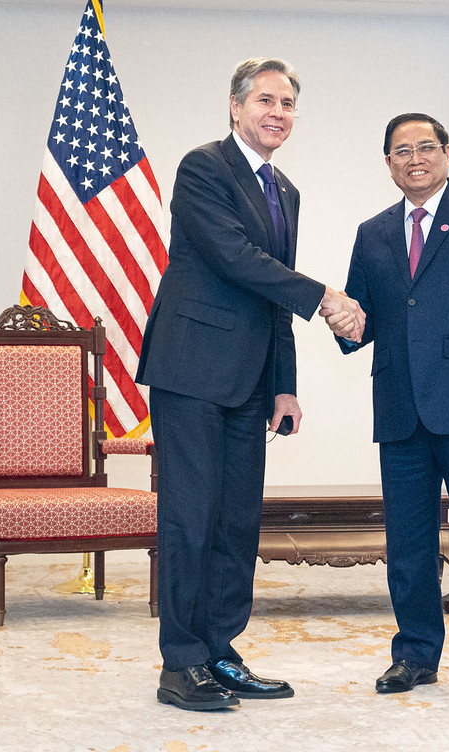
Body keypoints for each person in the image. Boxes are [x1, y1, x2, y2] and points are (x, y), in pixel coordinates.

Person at [136, 57, 364, 712]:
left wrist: (283, 384)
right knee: (190, 519)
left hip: (248, 380)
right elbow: (236, 258)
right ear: (235, 107)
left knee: (236, 522)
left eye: (287, 103)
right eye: (265, 100)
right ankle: (181, 664)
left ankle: (220, 652)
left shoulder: (284, 190)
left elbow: (271, 293)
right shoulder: (203, 168)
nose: (277, 113)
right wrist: (326, 297)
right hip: (191, 370)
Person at [321, 113, 449, 700]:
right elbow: (363, 319)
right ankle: (415, 654)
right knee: (408, 543)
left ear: (446, 152)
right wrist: (343, 321)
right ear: (387, 163)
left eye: (425, 147)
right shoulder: (373, 232)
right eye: (401, 151)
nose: (414, 158)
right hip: (400, 407)